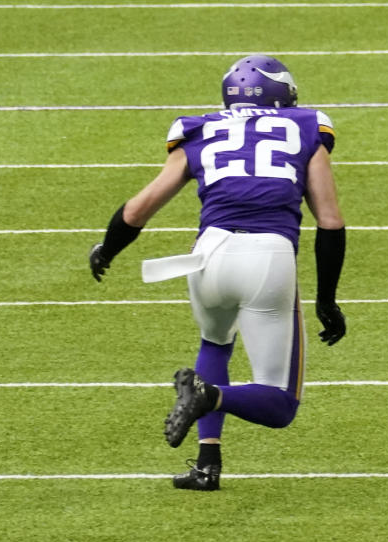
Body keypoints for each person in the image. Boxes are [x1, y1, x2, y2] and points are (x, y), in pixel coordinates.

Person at [89, 54, 347, 489]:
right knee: (280, 404)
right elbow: (330, 220)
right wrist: (326, 299)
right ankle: (211, 396)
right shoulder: (306, 126)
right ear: (282, 93)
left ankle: (206, 466)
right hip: (267, 257)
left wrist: (107, 249)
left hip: (207, 258)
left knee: (215, 342)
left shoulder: (200, 129)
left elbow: (138, 208)